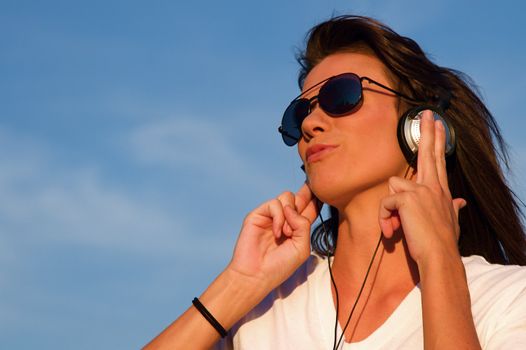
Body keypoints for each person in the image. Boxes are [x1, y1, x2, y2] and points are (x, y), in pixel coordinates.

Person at [144, 15, 526, 349]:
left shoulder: (508, 299)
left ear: (421, 127)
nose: (311, 123)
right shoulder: (264, 308)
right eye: (300, 113)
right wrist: (238, 283)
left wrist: (440, 260)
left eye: (341, 95)